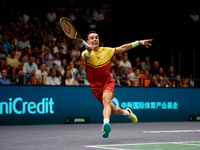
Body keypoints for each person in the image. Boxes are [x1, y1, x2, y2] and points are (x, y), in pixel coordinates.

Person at [81, 31, 152, 138]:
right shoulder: (85, 53)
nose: (95, 39)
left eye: (96, 37)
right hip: (95, 87)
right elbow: (86, 57)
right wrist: (89, 51)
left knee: (106, 100)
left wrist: (138, 42)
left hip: (107, 82)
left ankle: (105, 124)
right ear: (87, 41)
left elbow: (122, 48)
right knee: (113, 110)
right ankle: (128, 112)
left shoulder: (107, 51)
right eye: (92, 38)